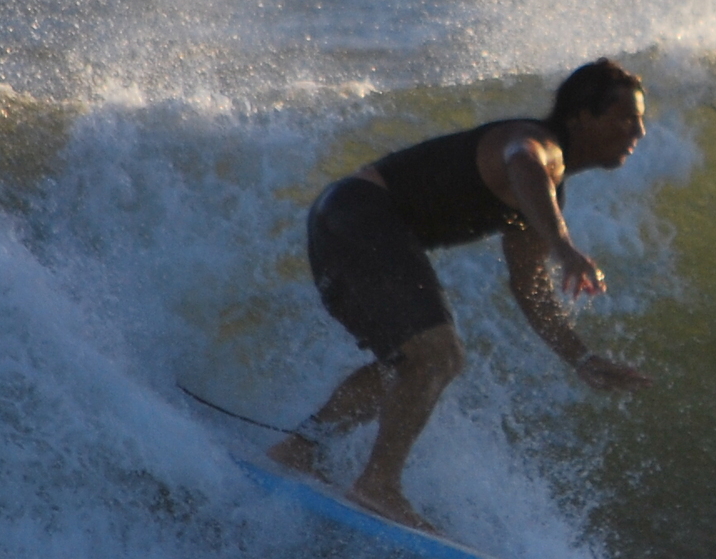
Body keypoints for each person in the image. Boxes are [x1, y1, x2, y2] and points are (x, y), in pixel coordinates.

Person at [269, 58, 654, 529]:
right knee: (439, 356)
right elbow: (521, 159)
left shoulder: (542, 193)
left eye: (640, 120)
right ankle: (378, 483)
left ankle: (300, 448)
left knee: (411, 363)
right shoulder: (536, 145)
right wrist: (565, 248)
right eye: (626, 118)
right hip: (361, 215)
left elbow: (529, 285)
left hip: (339, 219)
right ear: (581, 116)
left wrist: (581, 357)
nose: (638, 131)